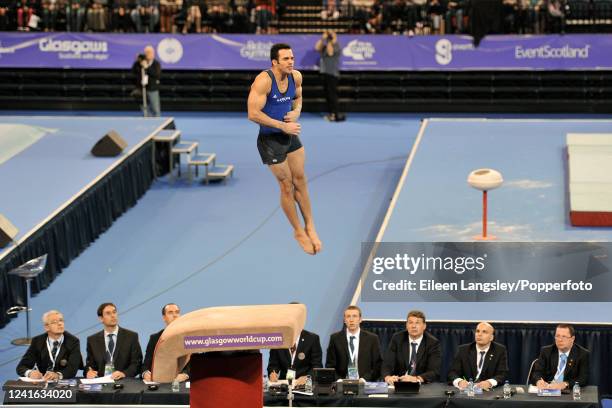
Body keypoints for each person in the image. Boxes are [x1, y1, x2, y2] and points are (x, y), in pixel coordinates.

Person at [247, 43, 322, 255]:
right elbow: (253, 113)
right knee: (286, 186)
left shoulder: (296, 77)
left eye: (292, 58)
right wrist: (282, 125)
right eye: (286, 59)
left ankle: (310, 226)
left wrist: (296, 112)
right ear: (275, 62)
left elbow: (298, 98)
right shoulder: (263, 82)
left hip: (290, 134)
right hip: (270, 140)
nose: (291, 62)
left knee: (301, 180)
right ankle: (298, 231)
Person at [16, 310, 83, 380]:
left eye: (61, 320)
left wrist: (57, 375)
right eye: (54, 322)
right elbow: (21, 367)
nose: (60, 324)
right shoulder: (37, 341)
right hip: (42, 381)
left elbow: (72, 369)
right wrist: (30, 373)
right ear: (46, 327)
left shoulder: (73, 341)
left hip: (62, 382)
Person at [381, 310, 441, 384]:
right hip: (399, 383)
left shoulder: (432, 343)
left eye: (417, 323)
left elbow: (434, 371)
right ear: (406, 325)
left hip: (422, 385)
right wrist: (388, 377)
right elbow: (387, 364)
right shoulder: (397, 338)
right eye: (410, 322)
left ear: (424, 326)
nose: (413, 326)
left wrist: (416, 379)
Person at [85, 302, 143, 379]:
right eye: (108, 313)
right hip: (101, 383)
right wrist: (88, 372)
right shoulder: (92, 340)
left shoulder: (131, 336)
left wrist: (124, 374)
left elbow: (137, 363)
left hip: (124, 383)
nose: (113, 316)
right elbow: (90, 365)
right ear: (101, 318)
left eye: (114, 312)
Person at [325, 305, 382, 381]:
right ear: (344, 320)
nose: (351, 320)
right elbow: (330, 365)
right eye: (348, 317)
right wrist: (339, 380)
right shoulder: (335, 338)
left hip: (364, 383)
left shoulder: (372, 339)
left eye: (354, 316)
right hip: (342, 383)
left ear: (360, 319)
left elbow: (378, 365)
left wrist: (365, 379)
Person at [447, 322, 509, 390]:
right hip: (467, 391)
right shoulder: (463, 350)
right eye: (477, 331)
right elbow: (452, 373)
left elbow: (502, 374)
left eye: (484, 332)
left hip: (488, 393)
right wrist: (459, 381)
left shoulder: (499, 350)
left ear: (491, 337)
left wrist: (489, 383)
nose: (479, 334)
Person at [531, 324, 589, 390]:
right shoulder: (546, 351)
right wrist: (538, 381)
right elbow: (537, 372)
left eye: (564, 337)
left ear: (572, 339)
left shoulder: (582, 354)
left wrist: (565, 384)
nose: (560, 340)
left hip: (567, 393)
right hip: (547, 389)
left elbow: (583, 379)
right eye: (557, 336)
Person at [142, 303, 189, 382]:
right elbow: (146, 365)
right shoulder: (155, 338)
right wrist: (145, 373)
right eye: (170, 313)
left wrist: (185, 375)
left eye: (177, 312)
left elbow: (194, 364)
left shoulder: (188, 337)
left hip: (181, 384)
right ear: (164, 317)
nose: (175, 315)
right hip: (160, 383)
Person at [315, 30, 342, 122]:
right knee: (328, 95)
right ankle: (331, 114)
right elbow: (317, 48)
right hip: (325, 73)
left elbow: (330, 53)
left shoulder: (336, 45)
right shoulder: (325, 46)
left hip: (332, 74)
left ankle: (336, 114)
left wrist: (332, 39)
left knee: (332, 96)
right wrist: (323, 38)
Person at [133, 45, 161, 117]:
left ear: (153, 53)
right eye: (146, 52)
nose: (148, 54)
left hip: (152, 89)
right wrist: (137, 61)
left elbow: (156, 74)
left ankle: (157, 122)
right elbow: (134, 71)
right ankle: (147, 120)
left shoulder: (156, 63)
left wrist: (147, 67)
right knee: (144, 108)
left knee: (155, 108)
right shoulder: (141, 63)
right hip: (143, 89)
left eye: (149, 52)